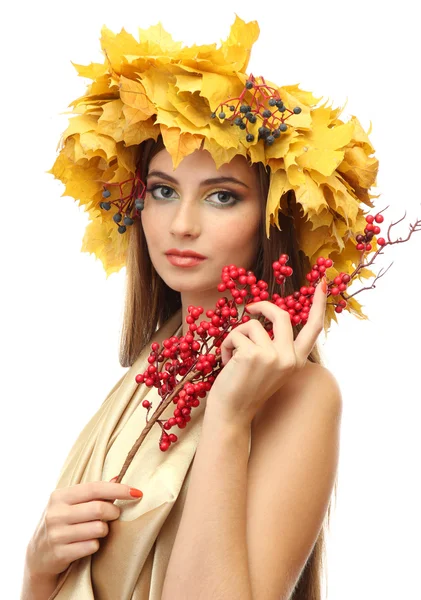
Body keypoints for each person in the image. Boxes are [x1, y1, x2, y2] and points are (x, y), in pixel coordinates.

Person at [21, 14, 380, 600]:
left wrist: (230, 420)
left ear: (272, 219)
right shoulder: (154, 360)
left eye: (220, 196)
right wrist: (38, 570)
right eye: (163, 190)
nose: (180, 225)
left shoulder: (303, 398)